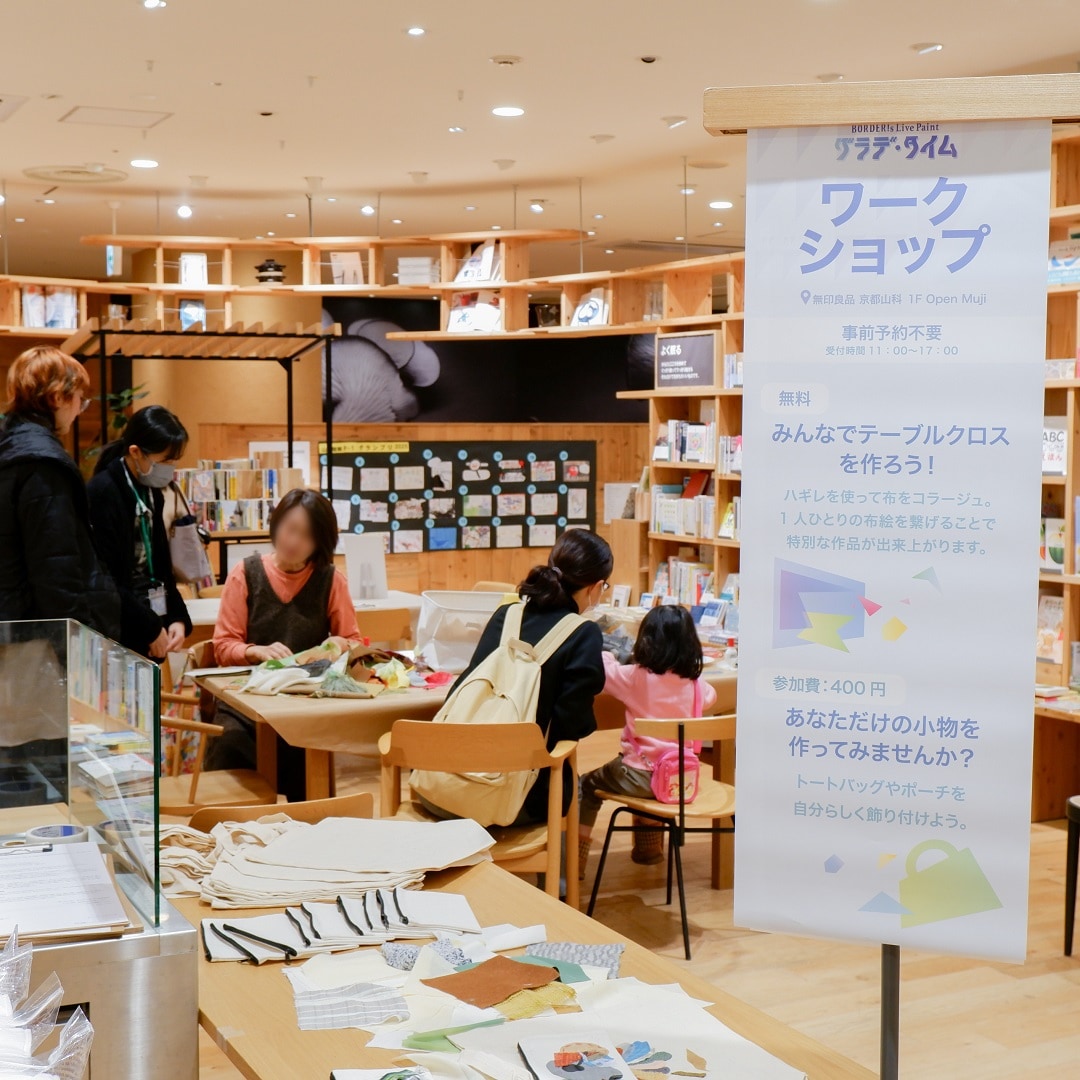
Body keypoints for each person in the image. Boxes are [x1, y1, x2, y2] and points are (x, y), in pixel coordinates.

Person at [425, 529, 612, 825]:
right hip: (509, 798)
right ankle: (560, 873)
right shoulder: (583, 633)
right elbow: (572, 725)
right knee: (572, 785)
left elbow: (464, 686)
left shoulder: (507, 614)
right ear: (596, 587)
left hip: (439, 784)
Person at [210, 487, 361, 798]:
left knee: (303, 756)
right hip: (247, 701)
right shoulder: (246, 573)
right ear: (276, 524)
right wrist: (254, 651)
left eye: (306, 535)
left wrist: (337, 644)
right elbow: (223, 646)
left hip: (302, 704)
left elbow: (354, 640)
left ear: (320, 542)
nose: (294, 541)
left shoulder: (331, 579)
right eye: (290, 529)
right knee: (229, 746)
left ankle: (304, 832)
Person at [578, 604, 717, 872]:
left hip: (639, 775)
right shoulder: (696, 684)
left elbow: (605, 674)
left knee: (587, 786)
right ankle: (648, 850)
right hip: (680, 780)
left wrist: (607, 654)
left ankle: (577, 860)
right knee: (654, 786)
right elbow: (710, 697)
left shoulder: (635, 678)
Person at [0, 346, 119, 638]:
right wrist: (78, 640)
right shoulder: (43, 463)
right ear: (56, 397)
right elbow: (55, 564)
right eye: (79, 398)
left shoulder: (10, 449)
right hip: (35, 633)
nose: (80, 409)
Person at [87, 406, 192, 659]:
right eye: (165, 460)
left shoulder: (151, 489)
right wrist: (150, 627)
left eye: (174, 460)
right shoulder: (103, 493)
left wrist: (176, 617)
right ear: (135, 452)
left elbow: (161, 566)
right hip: (119, 630)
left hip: (149, 620)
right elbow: (107, 579)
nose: (170, 467)